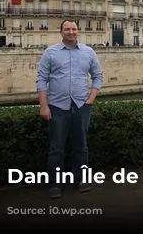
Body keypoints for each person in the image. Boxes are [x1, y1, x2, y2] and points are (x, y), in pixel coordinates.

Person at [36, 19, 103, 199]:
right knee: (56, 147)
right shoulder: (50, 53)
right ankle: (55, 184)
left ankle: (81, 179)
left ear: (78, 32)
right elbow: (42, 79)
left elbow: (97, 76)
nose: (71, 32)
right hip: (57, 106)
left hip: (82, 105)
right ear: (61, 32)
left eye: (74, 29)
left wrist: (91, 98)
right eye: (67, 29)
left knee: (81, 146)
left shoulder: (89, 52)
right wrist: (43, 106)